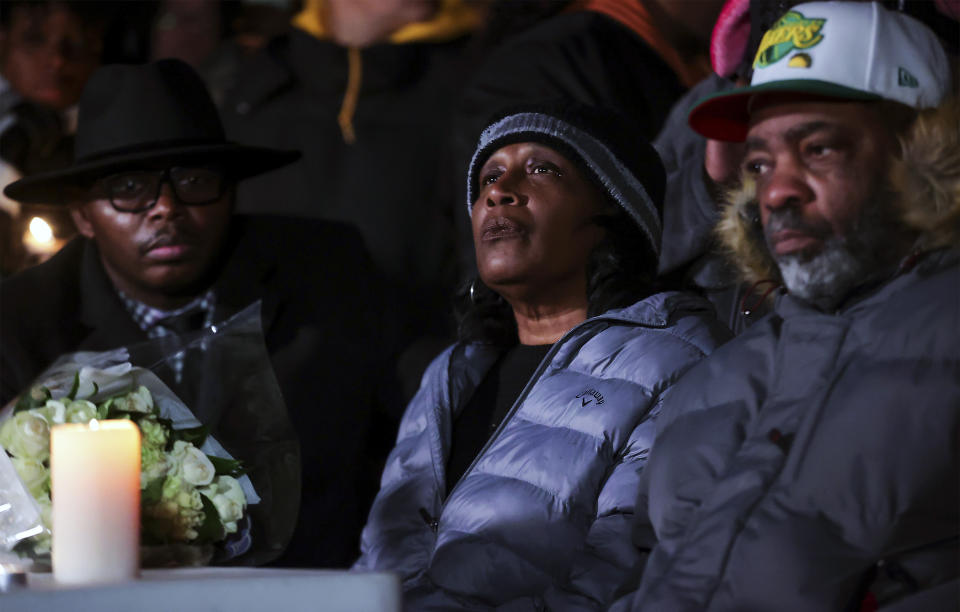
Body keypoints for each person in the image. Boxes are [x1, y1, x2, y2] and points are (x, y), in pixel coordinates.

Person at [610, 3, 958, 610]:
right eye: (761, 163)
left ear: (919, 155)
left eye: (818, 149)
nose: (777, 190)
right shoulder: (713, 379)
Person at [1, 59, 401, 568]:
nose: (166, 207)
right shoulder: (19, 322)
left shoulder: (328, 274)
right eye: (129, 188)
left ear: (231, 193)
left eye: (193, 180)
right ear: (83, 216)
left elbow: (410, 445)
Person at [353, 107, 732, 610]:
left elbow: (621, 578)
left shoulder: (676, 360)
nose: (498, 192)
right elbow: (376, 561)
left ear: (616, 212)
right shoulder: (449, 373)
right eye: (489, 177)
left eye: (541, 169)